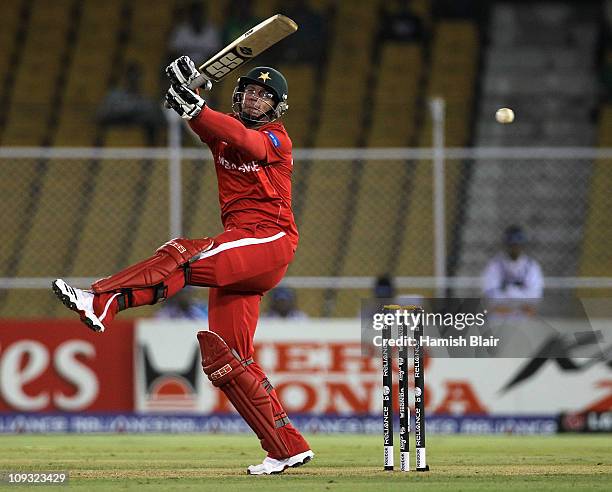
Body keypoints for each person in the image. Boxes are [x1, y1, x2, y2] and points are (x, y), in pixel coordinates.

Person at [52, 56, 313, 475]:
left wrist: (197, 106)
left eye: (264, 95)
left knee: (181, 252)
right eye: (247, 90)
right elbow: (210, 128)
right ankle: (285, 447)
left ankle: (98, 297)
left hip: (270, 240)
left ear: (276, 107)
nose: (253, 97)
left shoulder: (277, 138)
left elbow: (251, 145)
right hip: (242, 250)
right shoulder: (223, 134)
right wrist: (187, 98)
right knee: (226, 359)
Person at [481, 225, 544, 318]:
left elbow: (535, 292)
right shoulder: (495, 264)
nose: (515, 248)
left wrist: (518, 305)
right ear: (506, 245)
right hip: (500, 313)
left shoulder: (531, 266)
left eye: (517, 244)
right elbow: (490, 291)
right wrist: (505, 307)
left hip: (524, 313)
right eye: (512, 245)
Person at [96, 62, 164, 145]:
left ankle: (149, 155)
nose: (133, 80)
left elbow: (157, 117)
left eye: (136, 77)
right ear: (126, 77)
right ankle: (99, 153)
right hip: (116, 126)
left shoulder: (146, 100)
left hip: (139, 128)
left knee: (151, 123)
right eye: (131, 76)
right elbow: (101, 115)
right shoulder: (114, 96)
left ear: (140, 78)